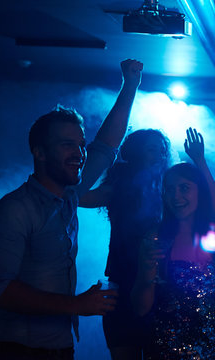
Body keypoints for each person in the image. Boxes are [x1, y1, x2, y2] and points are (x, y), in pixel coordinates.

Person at [0, 59, 143, 359]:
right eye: (67, 145)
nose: (79, 153)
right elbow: (1, 289)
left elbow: (105, 144)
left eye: (80, 145)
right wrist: (75, 306)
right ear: (39, 152)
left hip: (59, 345)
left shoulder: (69, 196)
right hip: (18, 349)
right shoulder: (16, 209)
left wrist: (130, 85)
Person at [131, 128, 215, 359]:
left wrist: (200, 160)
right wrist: (145, 273)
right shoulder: (156, 237)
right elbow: (141, 308)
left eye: (184, 188)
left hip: (210, 348)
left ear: (199, 193)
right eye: (169, 190)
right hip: (165, 350)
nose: (176, 196)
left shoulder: (212, 236)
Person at [79, 129, 171, 359]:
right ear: (135, 153)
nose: (160, 154)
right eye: (152, 149)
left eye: (162, 150)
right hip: (122, 286)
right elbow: (78, 197)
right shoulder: (117, 190)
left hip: (162, 289)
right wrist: (100, 156)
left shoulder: (172, 192)